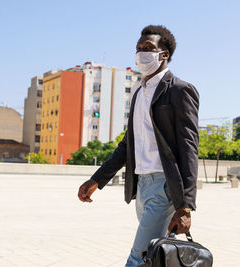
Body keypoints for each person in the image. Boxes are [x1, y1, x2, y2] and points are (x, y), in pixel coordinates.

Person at [78, 25, 199, 266]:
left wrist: (185, 206)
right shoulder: (139, 93)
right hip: (142, 186)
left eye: (149, 48)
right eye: (138, 48)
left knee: (138, 258)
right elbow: (127, 145)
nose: (142, 52)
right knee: (153, 258)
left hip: (165, 186)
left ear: (164, 54)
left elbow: (189, 147)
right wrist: (97, 180)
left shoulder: (179, 90)